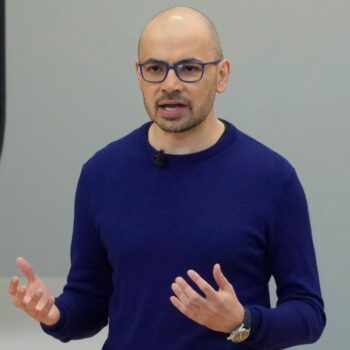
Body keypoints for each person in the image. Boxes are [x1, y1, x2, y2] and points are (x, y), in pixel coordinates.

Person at [9, 6, 326, 349]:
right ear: (139, 75)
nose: (170, 84)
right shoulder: (101, 173)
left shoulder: (271, 178)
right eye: (155, 69)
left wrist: (242, 322)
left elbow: (308, 314)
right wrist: (55, 315)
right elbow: (90, 301)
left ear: (222, 75)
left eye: (189, 68)